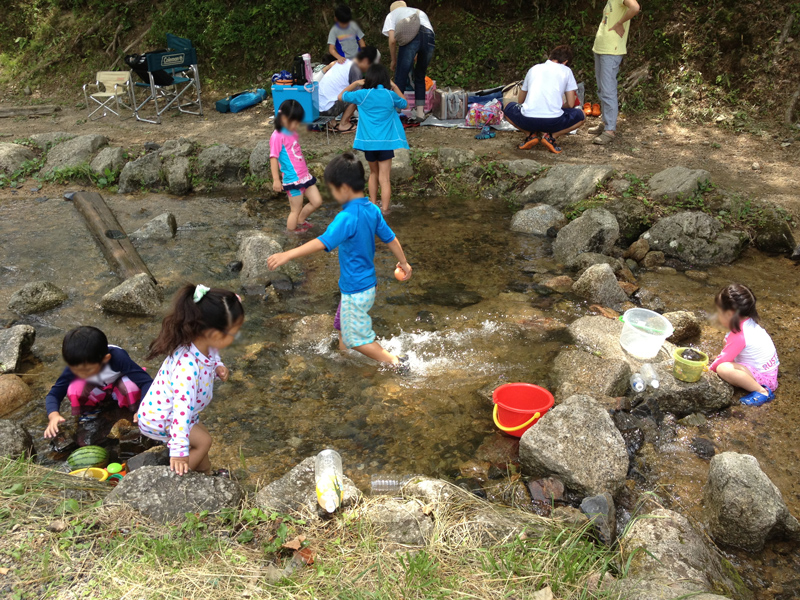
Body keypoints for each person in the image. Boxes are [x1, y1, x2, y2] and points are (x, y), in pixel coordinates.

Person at [267, 154, 412, 371]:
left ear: (343, 188)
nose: (332, 195)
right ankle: (347, 365)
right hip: (367, 286)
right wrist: (404, 263)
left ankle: (396, 362)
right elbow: (390, 238)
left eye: (332, 190)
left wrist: (288, 254)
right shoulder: (372, 209)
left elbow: (321, 242)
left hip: (355, 290)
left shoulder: (346, 218)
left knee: (356, 339)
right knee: (343, 329)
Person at [137, 284, 243, 475]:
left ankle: (206, 474)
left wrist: (217, 365)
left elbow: (212, 354)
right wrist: (179, 451)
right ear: (213, 334)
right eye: (233, 332)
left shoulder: (202, 343)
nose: (236, 337)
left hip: (173, 411)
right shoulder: (187, 367)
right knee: (204, 442)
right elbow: (182, 410)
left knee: (202, 437)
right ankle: (173, 481)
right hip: (162, 417)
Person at [43, 326, 152, 439]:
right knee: (74, 389)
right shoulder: (76, 364)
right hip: (97, 389)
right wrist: (53, 415)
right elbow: (54, 394)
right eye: (76, 370)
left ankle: (134, 413)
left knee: (132, 386)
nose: (81, 374)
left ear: (105, 359)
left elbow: (146, 382)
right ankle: (90, 413)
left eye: (87, 370)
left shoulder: (118, 358)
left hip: (118, 387)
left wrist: (143, 408)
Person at [339, 63, 409, 215]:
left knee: (373, 174)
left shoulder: (362, 94)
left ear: (368, 78)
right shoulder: (390, 95)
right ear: (385, 79)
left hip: (368, 144)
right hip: (386, 143)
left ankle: (373, 205)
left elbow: (341, 96)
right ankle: (385, 210)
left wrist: (356, 83)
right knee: (385, 178)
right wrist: (395, 86)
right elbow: (405, 104)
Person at [504, 45, 585, 155]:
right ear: (566, 61)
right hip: (553, 122)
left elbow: (520, 100)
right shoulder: (566, 71)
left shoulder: (534, 69)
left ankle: (530, 135)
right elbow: (571, 104)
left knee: (507, 107)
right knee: (582, 116)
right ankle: (551, 137)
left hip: (527, 120)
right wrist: (558, 107)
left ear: (551, 57)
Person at [710, 284, 779, 407]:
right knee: (726, 343)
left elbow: (723, 360)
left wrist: (708, 370)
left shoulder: (739, 335)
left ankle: (761, 391)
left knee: (722, 368)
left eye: (719, 312)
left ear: (729, 314)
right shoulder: (748, 324)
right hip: (770, 372)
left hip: (765, 379)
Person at [591, 0, 641, 145]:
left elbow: (635, 8)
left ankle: (610, 130)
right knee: (602, 89)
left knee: (608, 90)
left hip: (611, 50)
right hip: (601, 48)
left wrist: (620, 23)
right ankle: (606, 122)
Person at [270, 99, 323, 233]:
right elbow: (273, 158)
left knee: (317, 201)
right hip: (292, 179)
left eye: (298, 121)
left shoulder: (292, 132)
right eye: (294, 121)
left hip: (304, 176)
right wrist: (276, 180)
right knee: (295, 210)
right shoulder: (277, 136)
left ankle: (301, 220)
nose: (297, 125)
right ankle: (291, 236)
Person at [383, 1, 435, 121]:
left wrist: (393, 60)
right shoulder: (418, 11)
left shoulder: (392, 15)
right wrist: (416, 52)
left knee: (400, 76)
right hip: (430, 38)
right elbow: (422, 33)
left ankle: (395, 112)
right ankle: (420, 114)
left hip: (411, 39)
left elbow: (392, 41)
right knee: (420, 75)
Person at [318, 46, 380, 133]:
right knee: (357, 95)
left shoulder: (346, 62)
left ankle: (332, 123)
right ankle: (344, 124)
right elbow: (358, 95)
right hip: (328, 109)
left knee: (345, 92)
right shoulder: (355, 69)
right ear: (366, 61)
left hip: (319, 108)